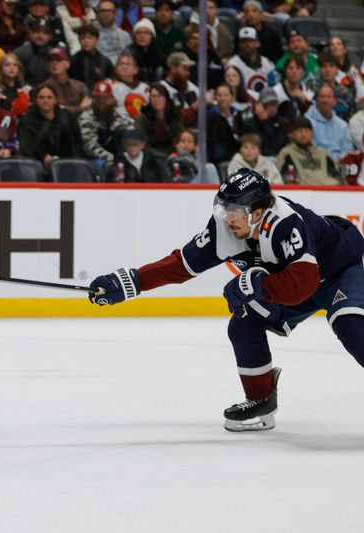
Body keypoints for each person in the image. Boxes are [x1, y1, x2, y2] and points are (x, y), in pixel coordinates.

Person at [88, 168, 364, 431]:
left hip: (340, 271)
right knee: (244, 324)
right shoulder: (226, 227)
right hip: (292, 282)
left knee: (351, 326)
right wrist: (132, 282)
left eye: (233, 212)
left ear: (257, 213)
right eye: (222, 208)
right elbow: (181, 265)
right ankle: (261, 400)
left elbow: (303, 284)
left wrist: (257, 283)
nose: (226, 218)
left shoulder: (285, 222)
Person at [17, 81, 84, 169]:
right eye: (41, 97)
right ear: (36, 100)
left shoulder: (67, 117)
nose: (45, 100)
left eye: (49, 97)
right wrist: (42, 156)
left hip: (67, 160)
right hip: (37, 163)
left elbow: (77, 141)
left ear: (55, 100)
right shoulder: (27, 121)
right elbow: (26, 148)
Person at [79, 79, 135, 173]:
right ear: (93, 100)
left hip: (117, 157)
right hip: (93, 158)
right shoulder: (86, 117)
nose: (102, 102)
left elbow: (131, 135)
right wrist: (111, 158)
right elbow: (89, 146)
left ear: (113, 99)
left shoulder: (120, 117)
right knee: (105, 166)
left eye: (105, 98)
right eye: (98, 98)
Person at [276, 116, 345, 185]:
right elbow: (280, 177)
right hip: (300, 191)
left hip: (326, 191)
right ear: (292, 134)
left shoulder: (324, 153)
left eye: (306, 131)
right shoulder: (286, 153)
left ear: (313, 134)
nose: (303, 134)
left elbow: (337, 176)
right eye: (299, 131)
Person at [134, 82, 182, 162]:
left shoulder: (174, 116)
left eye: (160, 96)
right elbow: (143, 144)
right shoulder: (142, 119)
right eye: (153, 96)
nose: (156, 99)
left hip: (174, 154)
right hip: (152, 157)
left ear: (166, 98)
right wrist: (165, 156)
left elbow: (179, 137)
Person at [305, 85, 354, 161]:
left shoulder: (342, 125)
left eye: (328, 97)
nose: (325, 100)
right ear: (317, 100)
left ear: (334, 101)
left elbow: (347, 150)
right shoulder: (307, 121)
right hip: (317, 163)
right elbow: (308, 148)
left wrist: (338, 161)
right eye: (322, 97)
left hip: (340, 164)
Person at [227, 27, 276, 95]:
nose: (247, 44)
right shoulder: (233, 64)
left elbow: (273, 86)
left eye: (250, 41)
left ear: (258, 43)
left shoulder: (267, 63)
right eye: (243, 41)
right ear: (239, 44)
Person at [46, 45, 90, 115]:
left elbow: (88, 107)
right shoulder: (44, 88)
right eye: (51, 60)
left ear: (68, 64)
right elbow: (55, 111)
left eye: (58, 60)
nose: (54, 63)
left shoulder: (80, 86)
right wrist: (80, 108)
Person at [68, 23, 113, 91]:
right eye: (83, 38)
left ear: (97, 40)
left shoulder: (105, 61)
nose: (86, 41)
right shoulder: (74, 61)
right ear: (79, 40)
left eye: (90, 38)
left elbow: (112, 78)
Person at [206, 83, 241, 166]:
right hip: (219, 155)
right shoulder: (211, 116)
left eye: (226, 95)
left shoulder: (238, 115)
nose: (222, 98)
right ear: (216, 98)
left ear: (232, 97)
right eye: (219, 95)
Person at [14, 17, 54, 87]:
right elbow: (16, 77)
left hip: (49, 90)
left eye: (44, 33)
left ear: (50, 37)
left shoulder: (54, 54)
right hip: (24, 90)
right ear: (30, 34)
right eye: (37, 32)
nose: (40, 36)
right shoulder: (20, 52)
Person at [126, 18, 166, 85]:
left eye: (146, 33)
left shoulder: (158, 52)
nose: (142, 36)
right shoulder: (128, 52)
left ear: (152, 36)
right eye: (138, 33)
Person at [111, 51, 149, 120]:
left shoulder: (145, 88)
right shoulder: (110, 87)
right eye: (120, 64)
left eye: (127, 64)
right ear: (116, 68)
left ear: (135, 70)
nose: (124, 66)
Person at [0, 52, 31, 117]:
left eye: (15, 65)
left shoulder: (25, 88)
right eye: (7, 65)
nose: (12, 67)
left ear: (19, 69)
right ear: (1, 69)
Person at [95, 0, 131, 65]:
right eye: (103, 11)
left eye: (109, 11)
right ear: (97, 14)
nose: (106, 14)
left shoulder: (125, 35)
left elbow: (129, 58)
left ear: (115, 14)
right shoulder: (89, 34)